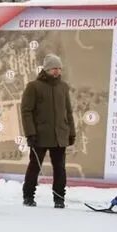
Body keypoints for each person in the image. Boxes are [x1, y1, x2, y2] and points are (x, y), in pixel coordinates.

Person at [21, 54, 75, 208]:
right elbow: (26, 111)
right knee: (34, 166)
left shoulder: (63, 86)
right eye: (53, 68)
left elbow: (68, 112)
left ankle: (59, 198)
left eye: (59, 68)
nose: (57, 71)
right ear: (46, 69)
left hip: (60, 135)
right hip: (40, 135)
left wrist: (71, 132)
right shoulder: (34, 86)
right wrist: (30, 133)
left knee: (60, 168)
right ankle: (28, 195)